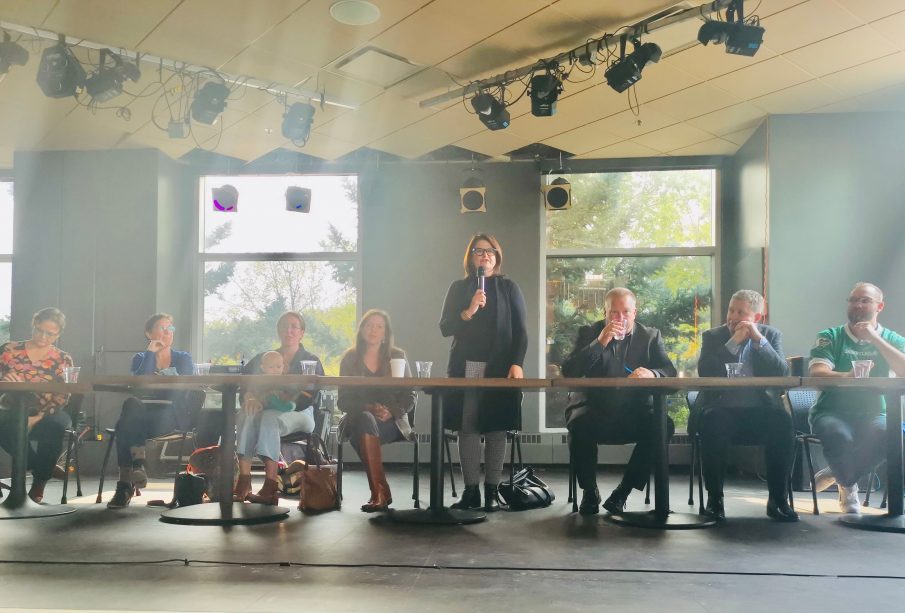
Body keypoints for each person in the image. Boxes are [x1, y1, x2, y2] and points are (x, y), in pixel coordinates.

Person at [562, 287, 677, 515]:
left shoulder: (650, 336)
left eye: (625, 312)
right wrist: (600, 342)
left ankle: (623, 492)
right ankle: (589, 491)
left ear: (635, 312)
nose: (620, 318)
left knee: (663, 424)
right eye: (614, 313)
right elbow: (570, 370)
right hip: (594, 408)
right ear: (605, 312)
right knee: (580, 423)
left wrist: (652, 374)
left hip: (634, 411)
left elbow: (669, 371)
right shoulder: (589, 332)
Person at [439, 233, 527, 512]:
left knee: (496, 429)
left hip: (500, 366)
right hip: (467, 364)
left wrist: (517, 362)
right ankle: (471, 492)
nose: (485, 255)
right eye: (479, 251)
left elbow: (521, 331)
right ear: (471, 257)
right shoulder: (459, 287)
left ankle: (491, 491)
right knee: (468, 428)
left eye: (490, 251)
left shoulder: (509, 287)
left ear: (497, 257)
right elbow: (445, 327)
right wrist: (469, 309)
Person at [695, 289, 797, 522]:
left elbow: (782, 373)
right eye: (731, 310)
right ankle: (715, 500)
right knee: (713, 422)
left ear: (756, 318)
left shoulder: (771, 336)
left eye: (741, 312)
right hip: (722, 409)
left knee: (782, 423)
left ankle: (778, 500)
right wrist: (732, 343)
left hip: (760, 411)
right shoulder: (713, 336)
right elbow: (706, 372)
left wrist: (759, 341)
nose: (732, 317)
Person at [808, 282, 905, 513]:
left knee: (890, 436)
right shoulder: (830, 336)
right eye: (853, 300)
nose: (857, 305)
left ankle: (839, 473)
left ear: (879, 306)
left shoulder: (891, 338)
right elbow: (817, 373)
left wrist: (875, 339)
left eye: (865, 300)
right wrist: (848, 375)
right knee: (838, 435)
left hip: (875, 412)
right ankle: (849, 488)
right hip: (831, 411)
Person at [107, 313, 212, 509]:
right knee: (131, 406)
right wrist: (150, 354)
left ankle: (125, 483)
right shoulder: (140, 358)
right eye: (161, 328)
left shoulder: (183, 358)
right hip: (142, 416)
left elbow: (182, 389)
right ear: (149, 333)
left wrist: (159, 383)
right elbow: (140, 386)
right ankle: (136, 468)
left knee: (124, 426)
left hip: (171, 416)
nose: (167, 332)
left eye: (170, 328)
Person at [236, 311, 322, 505]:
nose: (288, 330)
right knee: (245, 414)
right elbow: (243, 383)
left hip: (300, 413)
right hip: (266, 409)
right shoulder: (264, 358)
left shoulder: (310, 360)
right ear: (278, 331)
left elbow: (308, 398)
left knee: (269, 418)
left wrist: (266, 402)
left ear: (302, 333)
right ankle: (244, 479)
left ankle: (270, 485)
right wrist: (250, 398)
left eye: (294, 326)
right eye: (284, 326)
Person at [338, 309, 416, 512]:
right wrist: (368, 407)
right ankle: (381, 491)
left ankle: (379, 493)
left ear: (385, 333)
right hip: (358, 418)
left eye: (379, 326)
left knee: (361, 434)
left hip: (391, 422)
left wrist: (391, 410)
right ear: (361, 329)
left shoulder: (397, 356)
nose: (373, 330)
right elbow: (343, 401)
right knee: (364, 419)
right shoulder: (349, 358)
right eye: (369, 325)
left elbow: (410, 395)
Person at [0, 307, 73, 503]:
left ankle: (39, 483)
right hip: (11, 408)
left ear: (58, 334)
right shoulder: (9, 350)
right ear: (33, 326)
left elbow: (62, 395)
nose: (43, 336)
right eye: (39, 330)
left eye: (50, 333)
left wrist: (37, 416)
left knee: (55, 426)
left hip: (49, 411)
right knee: (4, 424)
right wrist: (4, 378)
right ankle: (42, 466)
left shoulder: (62, 358)